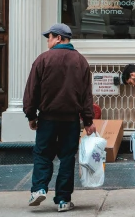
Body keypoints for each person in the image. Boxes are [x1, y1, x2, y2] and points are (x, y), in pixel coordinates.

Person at [23, 23, 96, 212]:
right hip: (71, 120)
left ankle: (39, 188)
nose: (47, 41)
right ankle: (63, 199)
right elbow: (86, 95)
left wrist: (31, 115)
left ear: (58, 38)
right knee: (67, 157)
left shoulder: (43, 60)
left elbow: (32, 91)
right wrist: (88, 121)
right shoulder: (81, 62)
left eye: (49, 37)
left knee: (42, 154)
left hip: (47, 118)